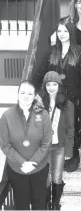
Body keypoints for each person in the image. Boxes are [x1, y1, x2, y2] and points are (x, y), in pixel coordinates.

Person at [33, 16, 81, 172]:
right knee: (56, 128)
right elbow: (38, 75)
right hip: (53, 98)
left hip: (73, 99)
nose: (62, 34)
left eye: (65, 31)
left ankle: (73, 156)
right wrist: (37, 93)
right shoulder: (52, 52)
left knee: (71, 128)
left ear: (71, 32)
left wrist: (76, 99)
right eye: (59, 31)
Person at [0, 81, 52, 210]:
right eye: (22, 92)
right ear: (17, 94)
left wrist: (33, 162)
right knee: (21, 205)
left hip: (39, 168)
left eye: (30, 93)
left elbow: (47, 142)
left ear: (34, 96)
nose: (26, 96)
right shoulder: (7, 116)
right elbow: (5, 145)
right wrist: (23, 163)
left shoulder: (43, 114)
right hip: (17, 169)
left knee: (39, 204)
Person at [40, 71, 74, 210]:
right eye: (48, 84)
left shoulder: (67, 103)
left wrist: (69, 149)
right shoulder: (39, 102)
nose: (51, 87)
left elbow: (70, 128)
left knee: (57, 176)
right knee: (45, 178)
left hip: (59, 146)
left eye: (54, 84)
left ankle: (55, 204)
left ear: (59, 86)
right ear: (44, 86)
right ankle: (47, 203)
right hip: (43, 147)